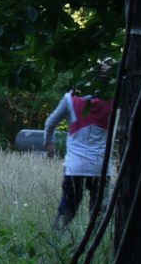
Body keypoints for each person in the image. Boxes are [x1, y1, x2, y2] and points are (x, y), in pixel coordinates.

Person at [43, 59, 116, 231]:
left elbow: (50, 123)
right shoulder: (114, 99)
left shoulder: (71, 98)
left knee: (68, 207)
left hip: (75, 166)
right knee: (99, 211)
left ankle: (57, 236)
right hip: (101, 166)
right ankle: (96, 242)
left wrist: (49, 144)